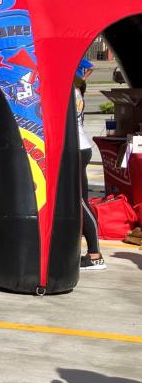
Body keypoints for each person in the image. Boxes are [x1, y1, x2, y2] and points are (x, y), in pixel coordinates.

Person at [75, 61, 104, 270]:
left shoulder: (71, 92)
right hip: (79, 147)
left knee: (80, 202)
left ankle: (95, 255)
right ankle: (91, 252)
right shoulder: (75, 90)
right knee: (79, 201)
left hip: (76, 149)